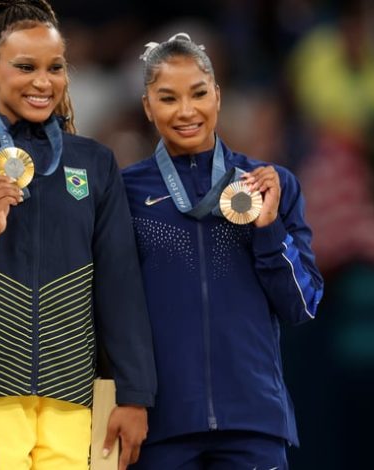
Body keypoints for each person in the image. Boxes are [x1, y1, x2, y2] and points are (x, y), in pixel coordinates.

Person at [0, 1, 156, 469]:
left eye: (55, 68)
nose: (43, 82)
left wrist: (134, 394)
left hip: (71, 394)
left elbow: (120, 285)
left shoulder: (93, 162)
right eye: (25, 67)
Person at [122, 33, 325, 469]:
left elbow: (301, 307)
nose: (186, 111)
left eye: (198, 94)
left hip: (253, 422)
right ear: (147, 106)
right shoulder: (125, 192)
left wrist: (268, 229)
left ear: (217, 95)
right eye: (168, 98)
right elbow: (113, 308)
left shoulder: (269, 185)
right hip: (161, 426)